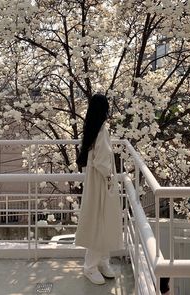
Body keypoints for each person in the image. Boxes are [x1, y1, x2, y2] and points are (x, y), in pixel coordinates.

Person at [75, 94, 124, 285]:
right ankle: (91, 266)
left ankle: (102, 261)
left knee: (102, 221)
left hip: (96, 183)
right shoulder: (101, 131)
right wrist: (110, 178)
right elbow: (102, 161)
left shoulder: (92, 129)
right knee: (100, 222)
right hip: (102, 183)